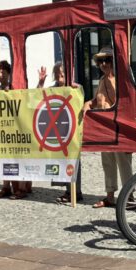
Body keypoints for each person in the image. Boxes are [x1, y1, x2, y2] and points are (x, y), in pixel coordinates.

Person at [85, 47, 133, 209]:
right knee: (108, 162)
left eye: (107, 60)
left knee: (123, 162)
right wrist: (88, 103)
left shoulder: (120, 80)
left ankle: (130, 197)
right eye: (101, 61)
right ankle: (110, 196)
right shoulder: (101, 80)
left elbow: (125, 102)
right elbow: (98, 99)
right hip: (104, 129)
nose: (104, 64)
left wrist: (114, 77)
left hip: (119, 127)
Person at [39, 62, 85, 204]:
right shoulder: (53, 89)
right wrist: (41, 83)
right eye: (57, 75)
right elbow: (37, 98)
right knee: (60, 160)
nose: (60, 78)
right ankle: (67, 190)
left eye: (62, 75)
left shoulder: (75, 87)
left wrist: (76, 91)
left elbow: (81, 99)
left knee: (73, 160)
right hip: (56, 130)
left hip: (70, 129)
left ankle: (75, 191)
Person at [0, 60, 32, 199]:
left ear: (9, 72)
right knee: (4, 158)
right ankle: (5, 186)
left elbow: (28, 100)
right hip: (2, 130)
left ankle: (21, 188)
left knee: (19, 157)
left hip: (17, 129)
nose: (0, 75)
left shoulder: (17, 87)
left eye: (3, 72)